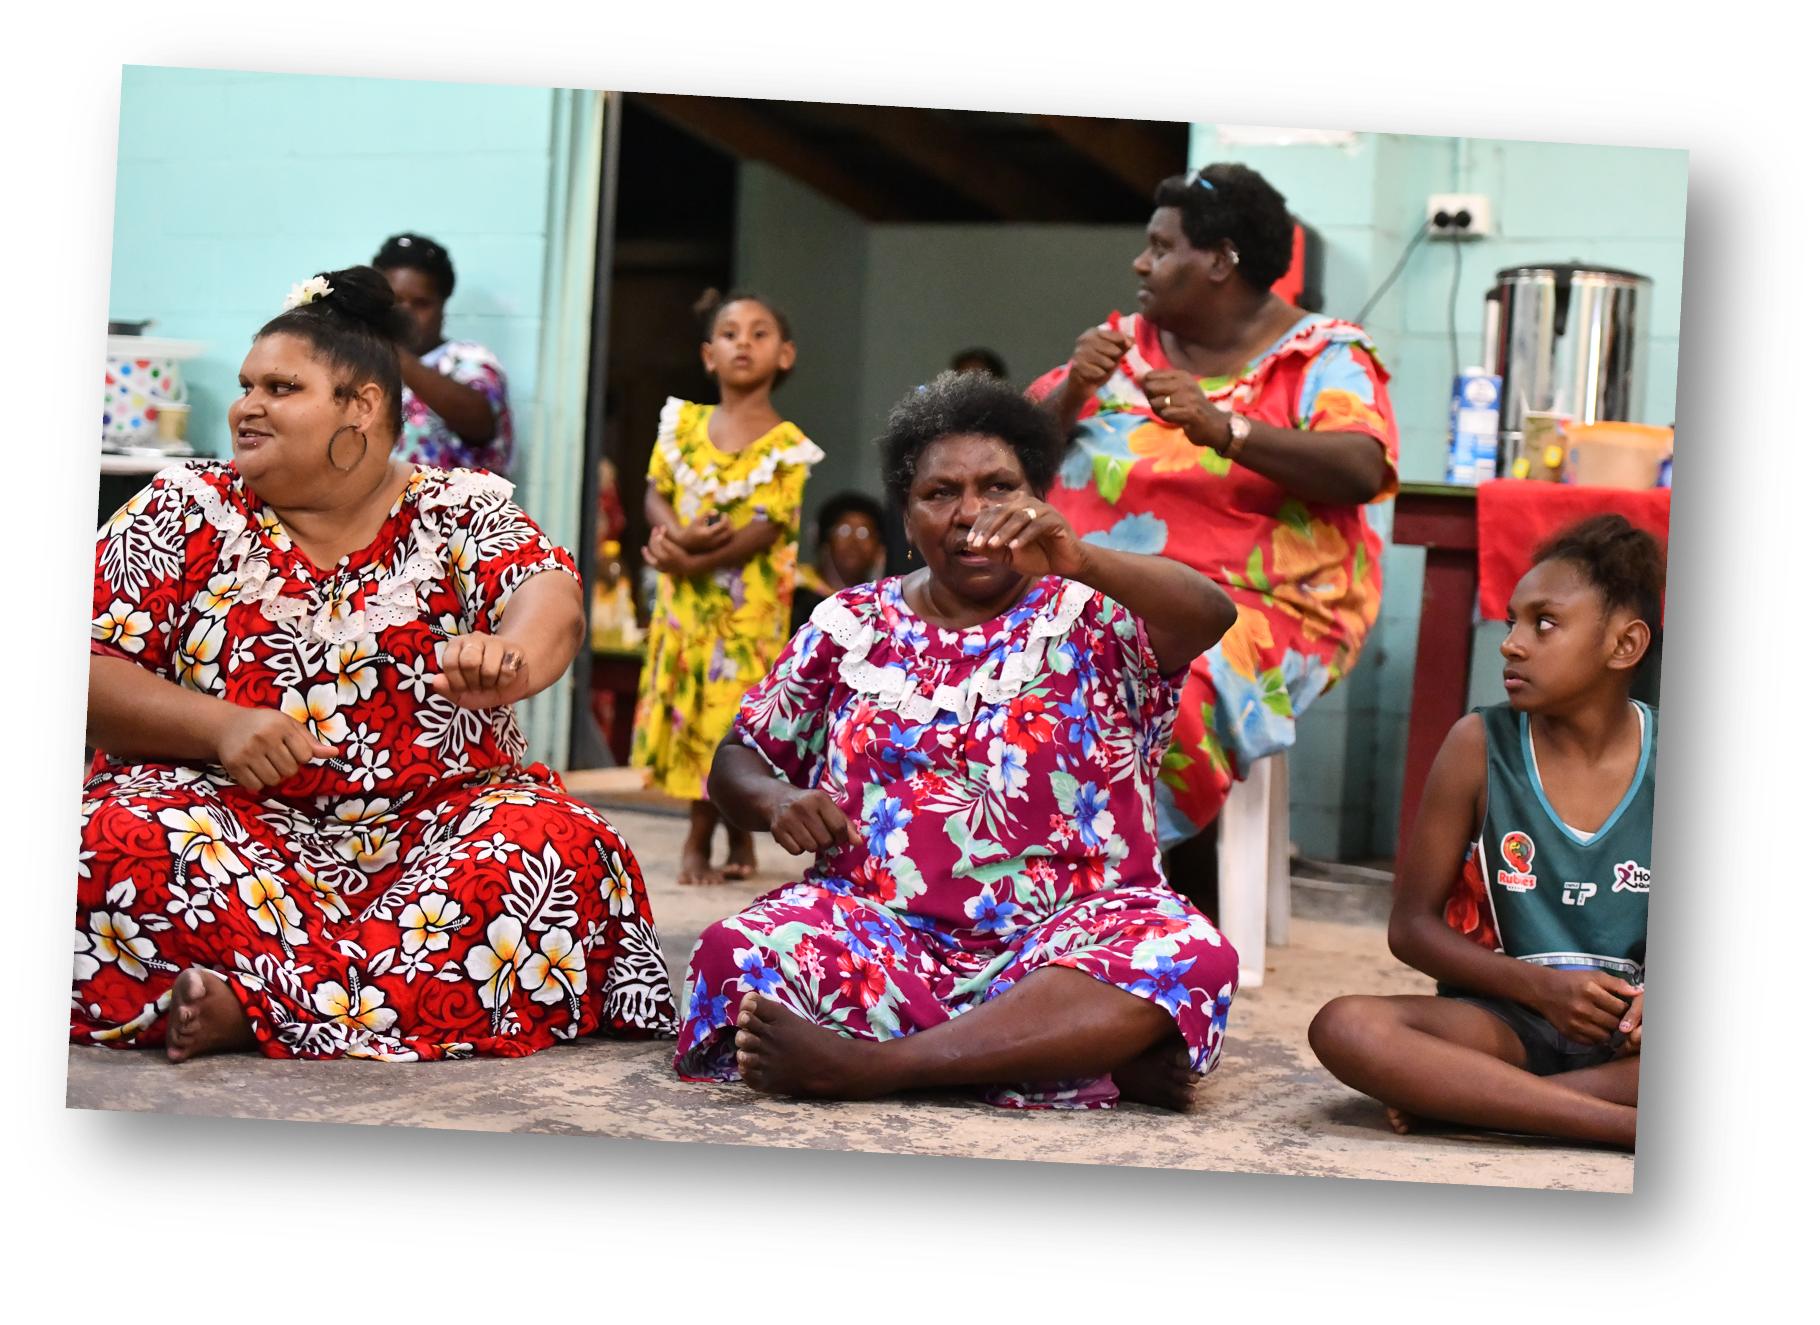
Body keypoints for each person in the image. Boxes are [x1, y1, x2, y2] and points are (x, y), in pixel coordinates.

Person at [78, 266, 676, 1063]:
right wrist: (218, 725)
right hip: (229, 827)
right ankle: (361, 1006)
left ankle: (256, 1005)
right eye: (249, 385)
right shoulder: (183, 505)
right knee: (114, 834)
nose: (247, 405)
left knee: (553, 843)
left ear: (361, 406)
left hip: (431, 835)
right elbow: (85, 669)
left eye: (282, 387)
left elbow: (549, 594)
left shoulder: (460, 507)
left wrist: (514, 654)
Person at [675, 372, 1241, 1111]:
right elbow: (736, 759)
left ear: (1038, 498)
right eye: (939, 494)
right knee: (734, 953)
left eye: (999, 487)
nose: (971, 511)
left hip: (1066, 936)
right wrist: (776, 797)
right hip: (874, 930)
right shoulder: (849, 625)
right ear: (907, 520)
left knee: (1188, 955)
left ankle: (876, 1067)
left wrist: (1083, 559)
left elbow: (1210, 614)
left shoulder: (1094, 611)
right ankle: (1071, 1053)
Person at [1031, 163, 1398, 914]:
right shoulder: (1120, 346)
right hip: (1098, 585)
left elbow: (1362, 466)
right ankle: (994, 863)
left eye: (1161, 248)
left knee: (1174, 677)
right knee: (1001, 659)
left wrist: (1225, 428)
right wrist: (1071, 391)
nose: (1140, 263)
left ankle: (1102, 890)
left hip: (1262, 605)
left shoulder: (1323, 354)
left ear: (1221, 261)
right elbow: (1005, 455)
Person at [1306, 516, 1661, 1148]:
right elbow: (1411, 927)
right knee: (1348, 1026)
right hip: (1505, 1022)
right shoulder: (1479, 744)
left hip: (1628, 1040)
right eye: (1511, 623)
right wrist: (1541, 990)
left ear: (1624, 646)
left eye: (1543, 623)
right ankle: (1614, 1127)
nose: (1512, 644)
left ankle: (1473, 1101)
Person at [632, 291, 822, 887]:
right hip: (687, 616)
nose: (744, 341)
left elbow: (765, 528)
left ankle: (699, 841)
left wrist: (686, 556)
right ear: (708, 355)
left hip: (744, 622)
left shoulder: (787, 445)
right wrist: (674, 532)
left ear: (785, 355)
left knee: (729, 720)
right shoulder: (682, 424)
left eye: (760, 333)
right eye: (731, 333)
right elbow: (654, 493)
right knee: (692, 716)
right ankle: (735, 835)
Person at [373, 233, 514, 475]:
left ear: (443, 304)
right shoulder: (363, 362)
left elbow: (479, 422)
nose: (405, 314)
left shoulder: (468, 360)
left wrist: (393, 352)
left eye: (421, 303)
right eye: (395, 301)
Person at [789, 491, 888, 635]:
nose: (854, 542)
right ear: (824, 539)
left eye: (864, 533)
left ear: (879, 548)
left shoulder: (881, 605)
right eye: (844, 531)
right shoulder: (792, 588)